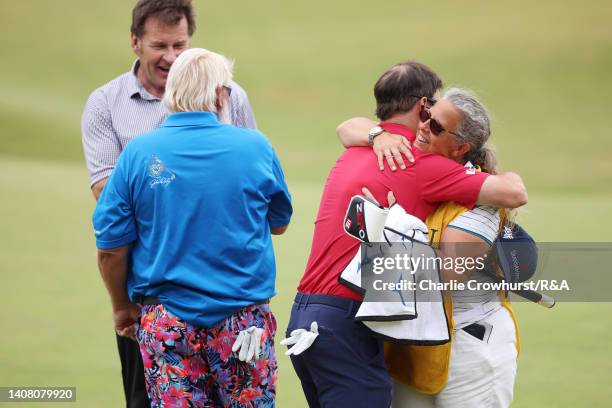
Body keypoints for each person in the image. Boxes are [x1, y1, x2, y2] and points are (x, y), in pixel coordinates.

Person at [285, 61, 527, 408]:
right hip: (347, 322)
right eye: (431, 111)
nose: (428, 124)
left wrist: (374, 134)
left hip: (305, 315)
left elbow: (346, 127)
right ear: (422, 105)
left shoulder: (354, 150)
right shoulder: (418, 162)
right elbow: (514, 193)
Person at [92, 48, 292, 407]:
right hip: (242, 322)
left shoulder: (138, 153)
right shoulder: (255, 146)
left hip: (167, 323)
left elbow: (110, 246)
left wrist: (122, 307)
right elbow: (279, 223)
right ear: (220, 94)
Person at [80, 1, 257, 406]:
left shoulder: (230, 95)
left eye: (180, 45)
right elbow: (106, 195)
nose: (172, 57)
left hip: (228, 290)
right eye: (160, 45)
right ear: (135, 42)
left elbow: (251, 178)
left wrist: (167, 191)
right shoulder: (106, 103)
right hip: (150, 290)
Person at [338, 88, 521, 407]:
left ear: (460, 147)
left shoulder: (484, 198)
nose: (423, 127)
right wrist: (377, 134)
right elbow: (346, 128)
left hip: (471, 344)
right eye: (425, 116)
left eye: (436, 127)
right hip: (411, 342)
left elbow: (446, 273)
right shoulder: (413, 163)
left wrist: (390, 226)